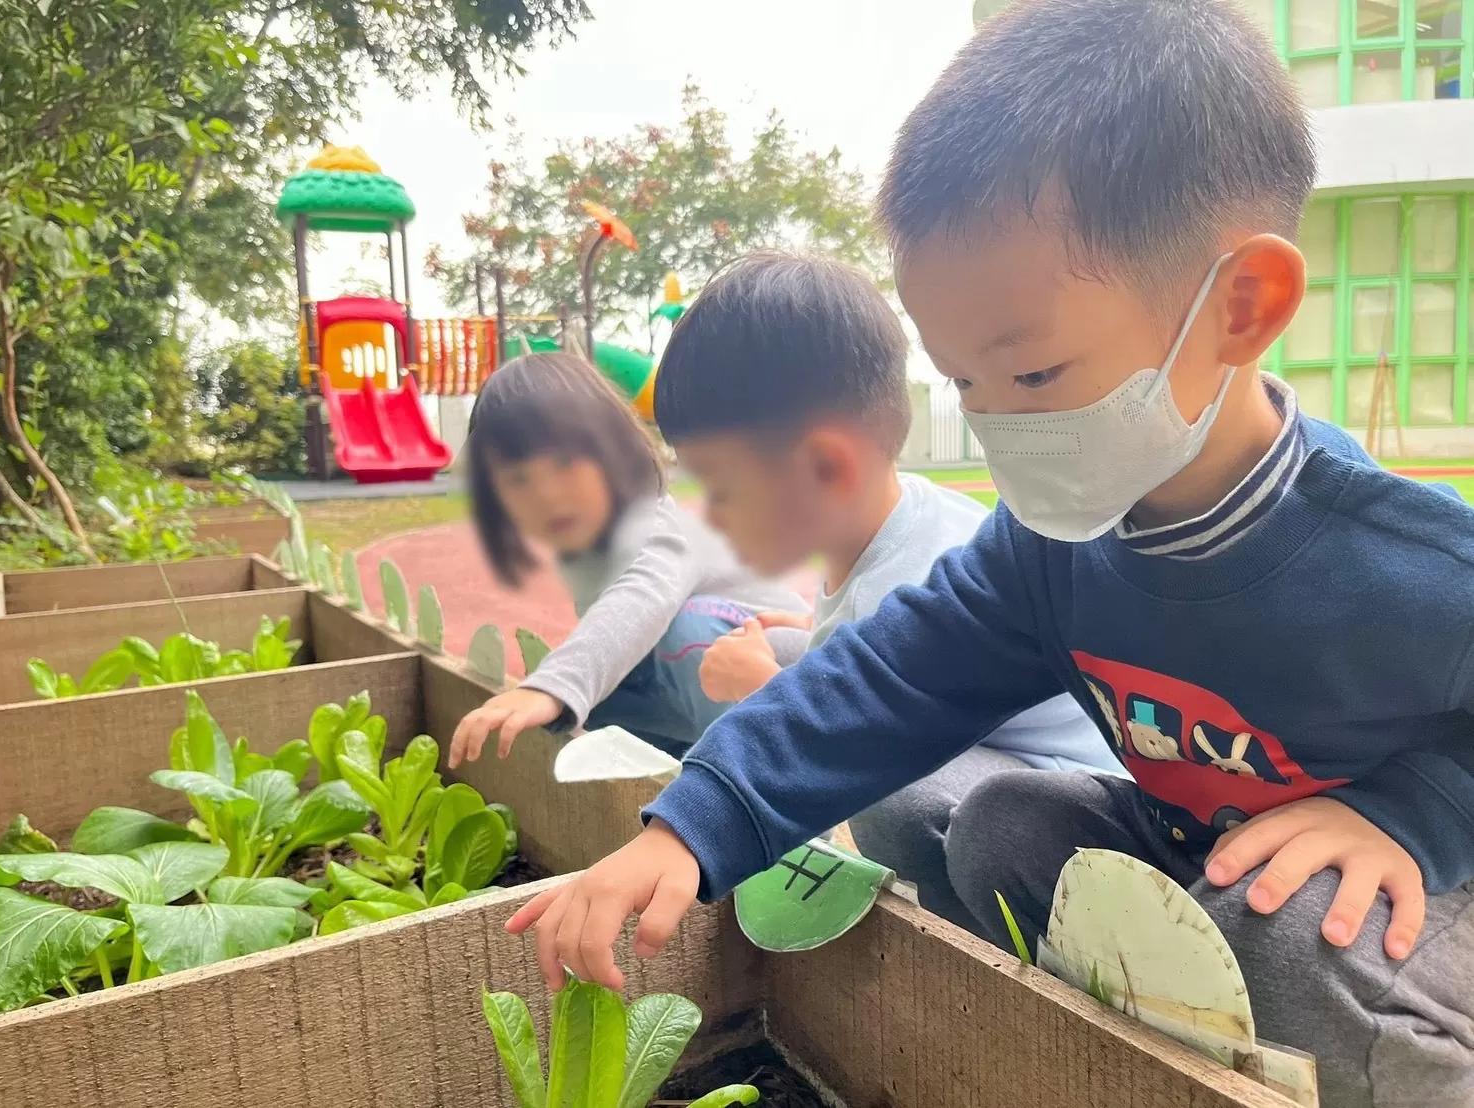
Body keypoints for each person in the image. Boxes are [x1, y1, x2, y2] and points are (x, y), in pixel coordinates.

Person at [505, 3, 1474, 1105]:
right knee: (993, 820)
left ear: (1241, 307)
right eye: (964, 381)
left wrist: (1412, 814)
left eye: (1035, 375)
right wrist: (692, 825)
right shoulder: (1054, 546)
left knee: (1288, 934)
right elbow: (887, 679)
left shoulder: (1400, 566)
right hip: (1204, 850)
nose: (997, 422)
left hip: (1402, 900)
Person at [655, 251, 1118, 928]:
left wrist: (761, 687)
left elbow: (868, 729)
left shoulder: (903, 579)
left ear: (826, 468)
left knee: (888, 795)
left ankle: (963, 939)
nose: (713, 516)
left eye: (723, 489)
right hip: (997, 748)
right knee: (787, 648)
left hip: (1058, 807)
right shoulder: (894, 519)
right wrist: (798, 647)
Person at [447, 352, 804, 766]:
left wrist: (550, 686)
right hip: (718, 685)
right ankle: (690, 772)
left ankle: (759, 782)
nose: (547, 493)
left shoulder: (650, 524)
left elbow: (642, 596)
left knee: (682, 633)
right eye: (519, 480)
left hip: (796, 680)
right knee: (604, 695)